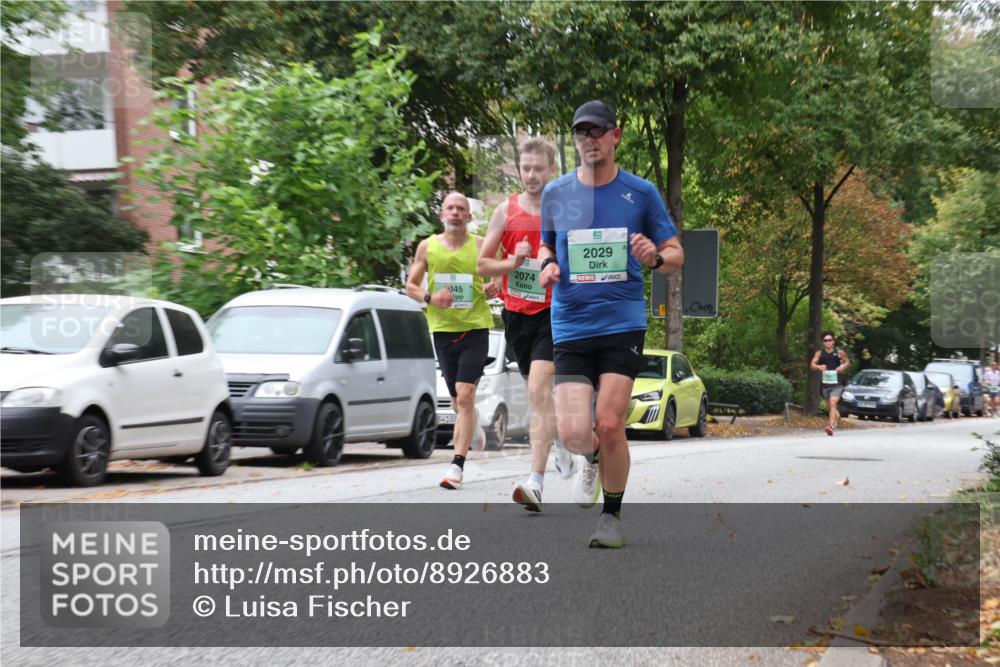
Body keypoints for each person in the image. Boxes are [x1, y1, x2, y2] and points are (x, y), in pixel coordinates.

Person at [538, 100, 683, 548]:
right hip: (572, 323)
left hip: (622, 321)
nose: (589, 140)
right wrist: (547, 266)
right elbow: (545, 246)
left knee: (609, 420)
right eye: (581, 132)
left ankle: (611, 517)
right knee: (575, 433)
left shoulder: (640, 193)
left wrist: (653, 257)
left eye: (597, 131)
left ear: (615, 135)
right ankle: (593, 456)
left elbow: (675, 254)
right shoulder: (556, 193)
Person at [477, 138, 572, 513]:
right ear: (519, 169)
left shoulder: (565, 210)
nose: (531, 175)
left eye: (538, 168)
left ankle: (536, 481)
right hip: (516, 316)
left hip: (554, 312)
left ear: (551, 170)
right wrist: (510, 266)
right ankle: (562, 440)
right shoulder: (505, 211)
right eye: (525, 168)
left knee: (536, 390)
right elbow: (483, 265)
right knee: (541, 398)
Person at [406, 192, 499, 489]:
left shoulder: (482, 245)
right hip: (443, 331)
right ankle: (470, 425)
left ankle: (456, 466)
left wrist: (494, 285)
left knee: (465, 394)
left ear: (469, 217)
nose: (456, 212)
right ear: (442, 215)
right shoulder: (428, 247)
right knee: (460, 403)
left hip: (475, 328)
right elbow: (410, 286)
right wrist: (432, 297)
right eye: (450, 208)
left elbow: (498, 276)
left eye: (462, 208)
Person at [810, 332, 850, 435]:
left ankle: (830, 426)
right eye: (826, 340)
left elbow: (847, 362)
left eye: (830, 340)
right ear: (823, 343)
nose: (828, 342)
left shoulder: (839, 352)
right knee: (830, 406)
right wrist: (819, 367)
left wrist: (842, 367)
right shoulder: (819, 353)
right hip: (826, 383)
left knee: (833, 403)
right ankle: (835, 415)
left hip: (837, 383)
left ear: (833, 342)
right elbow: (812, 365)